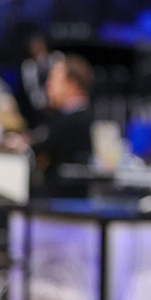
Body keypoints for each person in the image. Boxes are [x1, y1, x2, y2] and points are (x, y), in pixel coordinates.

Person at [29, 54, 95, 199]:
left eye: (53, 79)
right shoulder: (60, 120)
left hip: (65, 210)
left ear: (73, 84)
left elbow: (44, 153)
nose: (48, 85)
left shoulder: (76, 124)